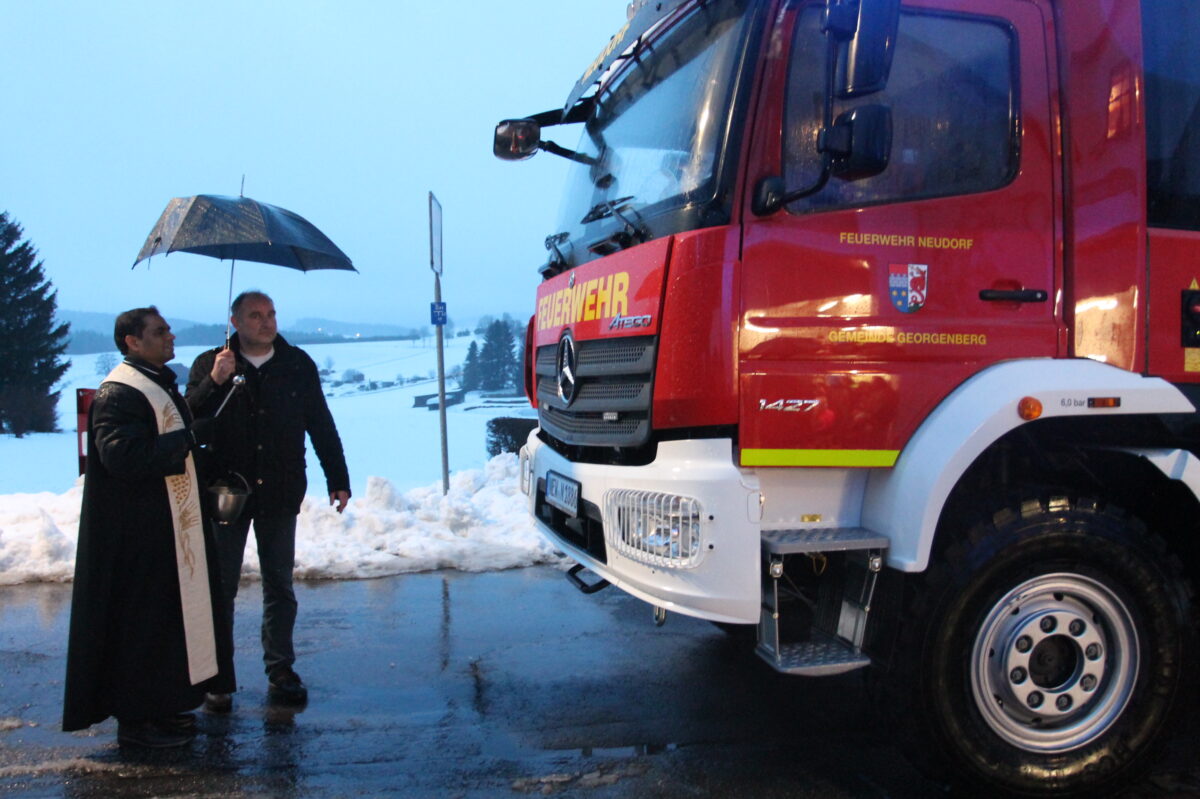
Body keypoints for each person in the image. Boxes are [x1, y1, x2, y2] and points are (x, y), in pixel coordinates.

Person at [63, 307, 235, 748]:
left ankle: (160, 706)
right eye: (159, 332)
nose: (170, 335)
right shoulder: (119, 392)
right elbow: (121, 457)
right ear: (132, 342)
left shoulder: (157, 380)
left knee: (164, 625)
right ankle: (135, 719)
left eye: (168, 329)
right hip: (136, 534)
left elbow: (172, 430)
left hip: (165, 528)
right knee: (138, 627)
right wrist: (187, 439)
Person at [186, 290, 350, 710]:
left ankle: (281, 670)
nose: (266, 322)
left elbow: (320, 423)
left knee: (279, 584)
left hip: (280, 488)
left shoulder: (296, 364)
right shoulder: (211, 363)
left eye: (271, 314)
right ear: (235, 321)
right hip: (227, 491)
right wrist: (215, 383)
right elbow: (187, 419)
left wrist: (338, 478)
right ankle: (217, 676)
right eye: (255, 315)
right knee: (220, 586)